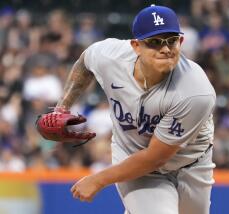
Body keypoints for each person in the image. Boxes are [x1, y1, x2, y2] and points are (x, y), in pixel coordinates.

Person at [38, 5, 216, 214]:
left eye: (171, 40)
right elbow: (85, 63)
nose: (165, 49)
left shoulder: (195, 92)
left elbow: (156, 158)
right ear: (136, 46)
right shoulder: (111, 56)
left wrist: (98, 179)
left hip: (192, 164)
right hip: (134, 158)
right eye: (155, 42)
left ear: (181, 41)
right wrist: (62, 108)